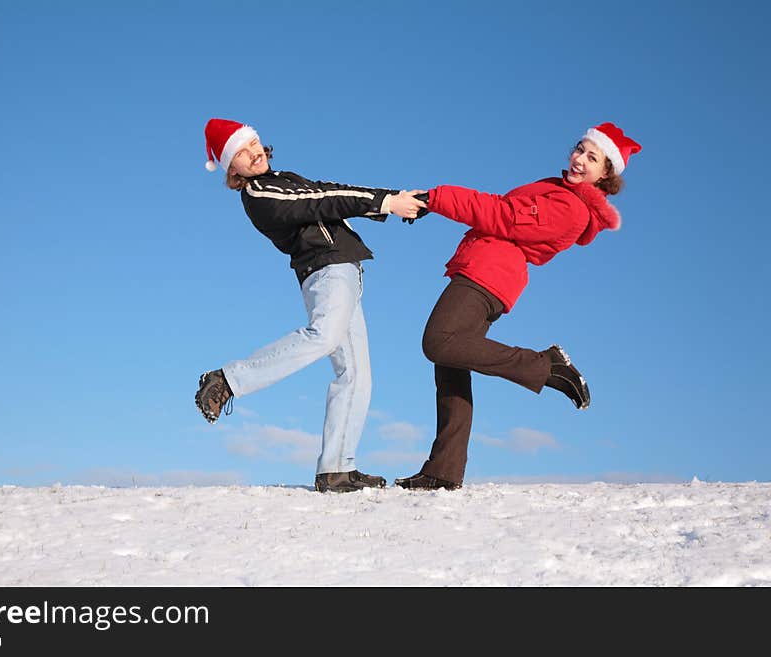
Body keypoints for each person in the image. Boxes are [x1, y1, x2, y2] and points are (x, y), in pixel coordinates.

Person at [395, 122, 642, 490]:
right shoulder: (556, 189)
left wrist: (437, 198)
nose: (579, 159)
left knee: (438, 341)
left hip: (488, 275)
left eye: (592, 158)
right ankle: (444, 470)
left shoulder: (570, 208)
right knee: (450, 363)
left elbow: (502, 215)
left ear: (605, 174)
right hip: (483, 268)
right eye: (579, 149)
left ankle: (547, 365)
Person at [195, 118, 426, 493]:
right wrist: (386, 201)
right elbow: (319, 201)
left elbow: (328, 192)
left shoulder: (283, 177)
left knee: (355, 374)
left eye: (253, 144)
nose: (253, 153)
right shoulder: (260, 195)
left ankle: (335, 468)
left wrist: (394, 200)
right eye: (240, 152)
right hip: (326, 269)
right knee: (323, 336)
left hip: (345, 269)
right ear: (231, 169)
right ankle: (228, 379)